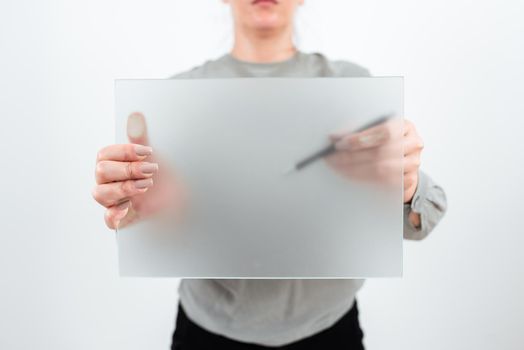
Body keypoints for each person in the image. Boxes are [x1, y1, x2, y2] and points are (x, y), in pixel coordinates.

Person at [92, 0, 447, 348]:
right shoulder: (177, 101)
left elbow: (420, 222)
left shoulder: (351, 88)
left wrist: (406, 183)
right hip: (206, 332)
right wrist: (141, 209)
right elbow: (162, 227)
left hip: (329, 329)